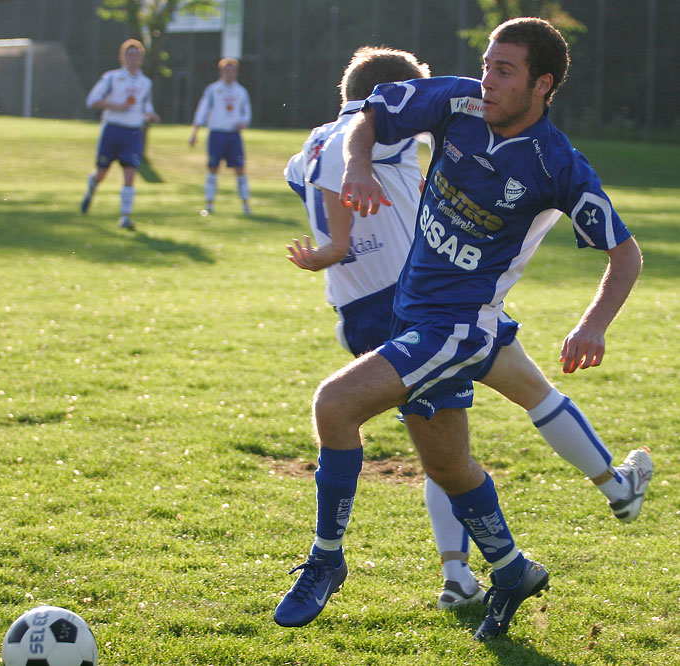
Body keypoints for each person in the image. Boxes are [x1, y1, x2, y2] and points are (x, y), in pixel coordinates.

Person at [274, 18, 652, 641]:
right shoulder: (458, 101)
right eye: (487, 65)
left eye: (505, 72)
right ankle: (510, 568)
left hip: (458, 329)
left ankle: (326, 558)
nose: (488, 81)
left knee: (333, 406)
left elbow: (626, 254)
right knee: (449, 467)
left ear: (542, 85)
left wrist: (593, 326)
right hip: (412, 315)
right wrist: (361, 165)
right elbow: (369, 113)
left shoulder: (558, 165)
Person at [80, 39, 160, 231]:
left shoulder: (145, 83)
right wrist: (118, 106)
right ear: (122, 57)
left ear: (141, 58)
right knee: (101, 173)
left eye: (136, 55)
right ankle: (92, 187)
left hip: (133, 132)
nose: (133, 59)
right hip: (112, 129)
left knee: (130, 172)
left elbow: (145, 107)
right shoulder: (111, 78)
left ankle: (125, 217)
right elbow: (92, 101)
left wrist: (151, 115)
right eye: (129, 54)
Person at [189, 57, 252, 215]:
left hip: (233, 135)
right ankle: (209, 204)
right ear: (221, 72)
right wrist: (194, 132)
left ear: (236, 73)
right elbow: (202, 110)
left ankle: (245, 204)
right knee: (212, 168)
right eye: (226, 70)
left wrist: (243, 122)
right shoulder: (213, 90)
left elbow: (246, 112)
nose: (229, 74)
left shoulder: (241, 92)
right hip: (216, 134)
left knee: (240, 168)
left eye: (232, 71)